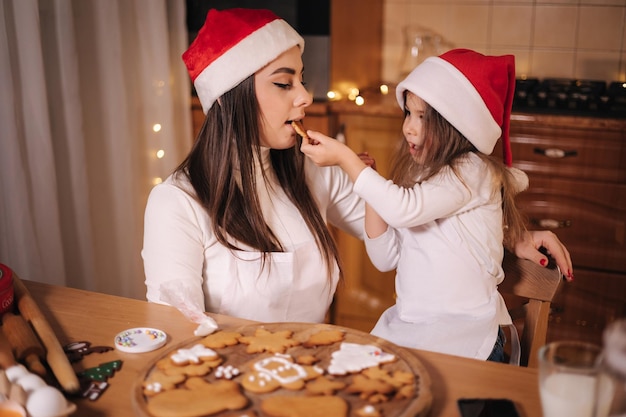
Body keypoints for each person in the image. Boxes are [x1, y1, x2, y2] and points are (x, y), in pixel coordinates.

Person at [142, 9, 572, 331]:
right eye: (283, 83)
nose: (305, 97)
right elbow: (179, 331)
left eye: (302, 80)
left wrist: (506, 233)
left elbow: (411, 228)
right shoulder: (176, 203)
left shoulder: (313, 172)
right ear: (229, 96)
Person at [300, 49, 573, 361]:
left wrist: (347, 160)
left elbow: (404, 208)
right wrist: (370, 193)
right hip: (413, 331)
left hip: (466, 335)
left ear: (460, 125)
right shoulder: (420, 178)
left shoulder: (473, 171)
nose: (408, 128)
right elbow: (385, 257)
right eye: (408, 114)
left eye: (423, 117)